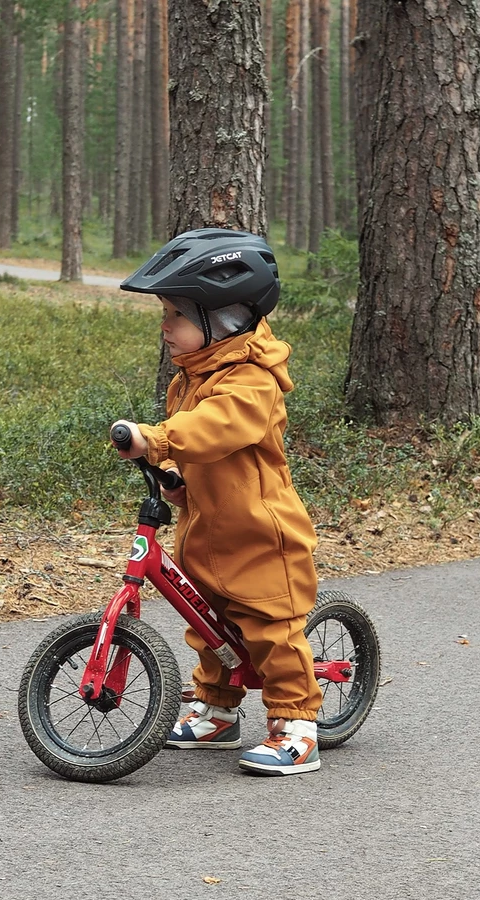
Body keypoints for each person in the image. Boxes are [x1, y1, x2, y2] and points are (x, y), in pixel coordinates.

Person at [112, 228, 323, 776]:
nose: (164, 328)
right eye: (164, 313)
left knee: (271, 631)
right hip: (205, 530)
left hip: (259, 535)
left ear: (223, 317)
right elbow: (202, 450)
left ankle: (296, 723)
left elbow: (217, 427)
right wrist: (177, 478)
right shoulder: (192, 376)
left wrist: (157, 438)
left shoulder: (253, 380)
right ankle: (218, 711)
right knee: (209, 628)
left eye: (175, 315)